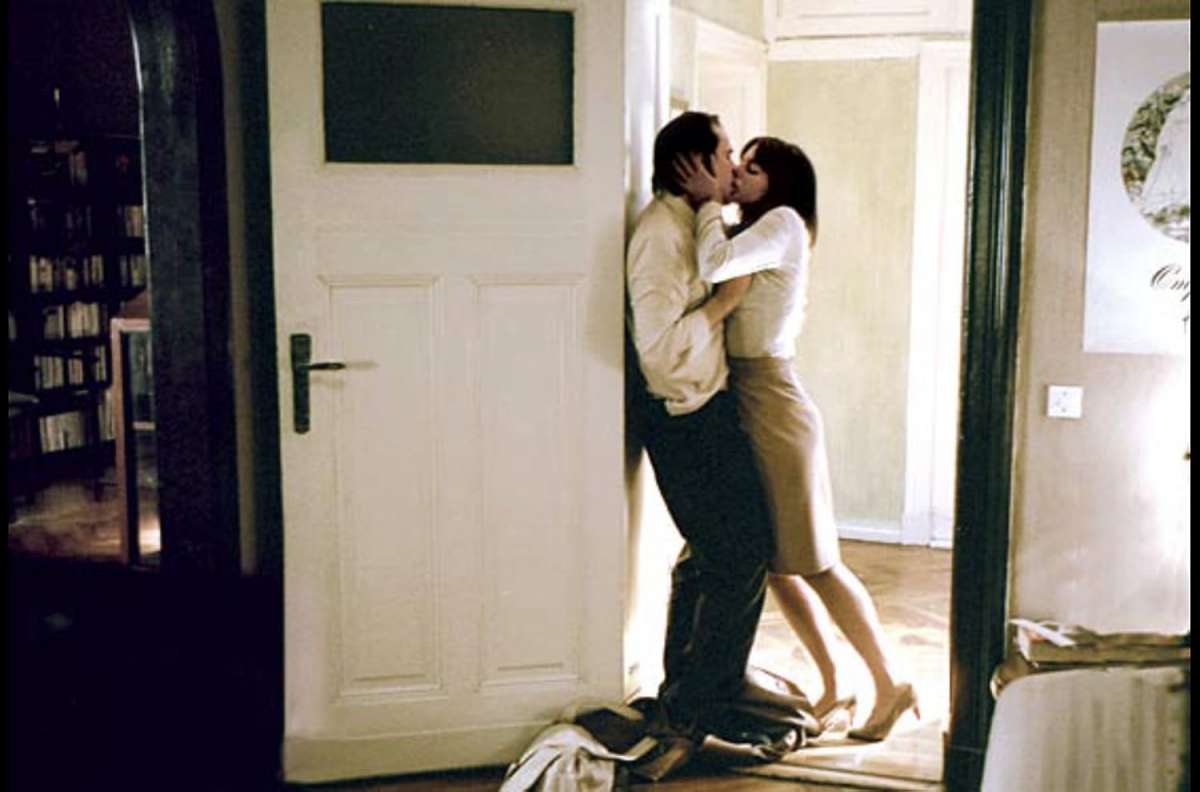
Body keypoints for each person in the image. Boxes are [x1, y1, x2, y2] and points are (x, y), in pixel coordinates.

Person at [674, 136, 919, 742]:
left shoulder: (782, 222)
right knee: (774, 565)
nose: (739, 173)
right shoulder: (757, 228)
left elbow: (711, 265)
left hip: (774, 407)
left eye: (753, 168)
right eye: (739, 162)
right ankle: (835, 683)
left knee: (816, 562)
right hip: (747, 400)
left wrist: (707, 202)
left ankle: (890, 684)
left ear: (779, 183)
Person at [625, 112, 776, 745]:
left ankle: (687, 693)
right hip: (686, 423)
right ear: (693, 165)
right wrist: (722, 305)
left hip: (706, 410)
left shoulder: (692, 225)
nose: (732, 166)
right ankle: (702, 705)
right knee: (741, 558)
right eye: (724, 153)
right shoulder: (660, 236)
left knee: (712, 557)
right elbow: (658, 352)